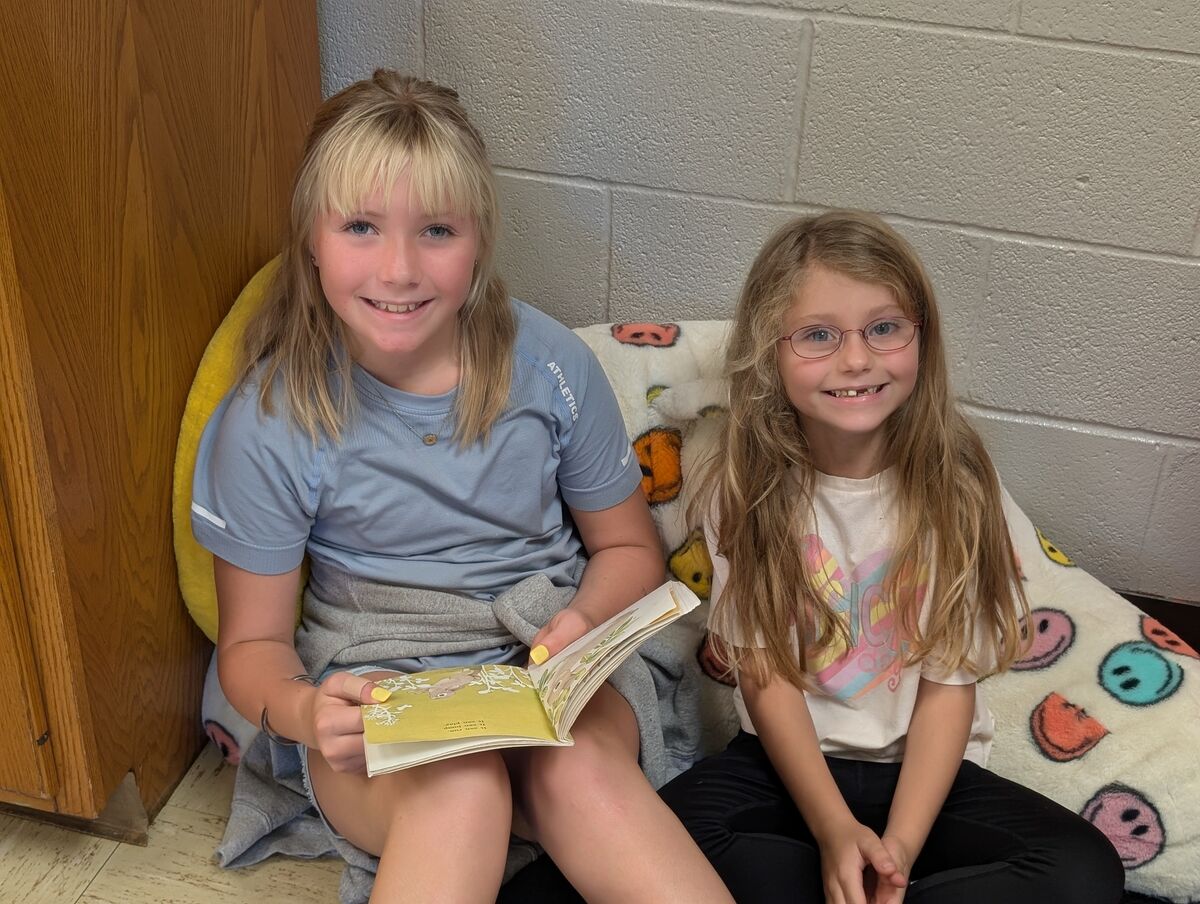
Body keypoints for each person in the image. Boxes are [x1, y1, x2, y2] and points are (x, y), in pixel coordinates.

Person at [191, 70, 732, 904]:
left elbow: (627, 548)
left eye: (436, 229)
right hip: (380, 676)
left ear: (478, 238)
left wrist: (580, 624)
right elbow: (252, 650)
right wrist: (308, 714)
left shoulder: (549, 365)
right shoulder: (267, 420)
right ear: (311, 238)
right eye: (362, 227)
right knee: (463, 788)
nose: (400, 269)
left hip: (547, 661)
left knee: (577, 772)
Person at [658, 211, 1125, 904]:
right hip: (788, 770)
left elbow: (949, 687)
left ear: (920, 338)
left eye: (884, 328)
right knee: (643, 842)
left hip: (925, 777)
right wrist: (833, 830)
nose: (856, 359)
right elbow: (768, 683)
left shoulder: (959, 482)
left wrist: (899, 850)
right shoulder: (742, 484)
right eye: (818, 335)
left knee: (1084, 872)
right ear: (770, 353)